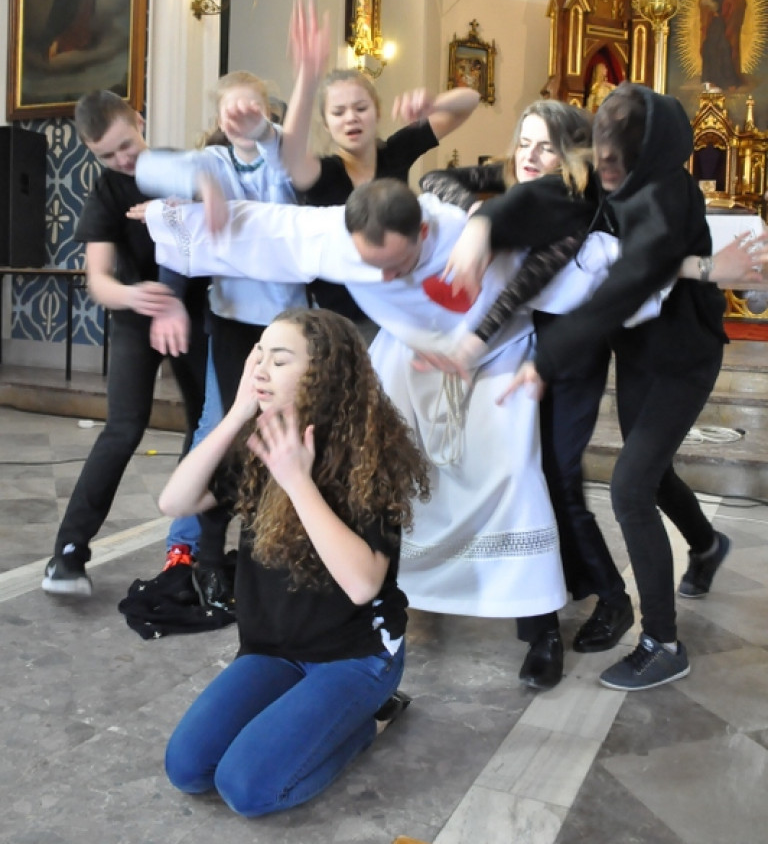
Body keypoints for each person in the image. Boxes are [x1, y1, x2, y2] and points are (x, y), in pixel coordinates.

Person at [140, 180, 635, 686]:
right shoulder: (342, 236)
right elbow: (268, 229)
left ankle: (539, 628)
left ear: (422, 230)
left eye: (396, 264)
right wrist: (172, 217)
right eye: (372, 265)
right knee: (373, 469)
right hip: (410, 358)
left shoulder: (470, 233)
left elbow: (588, 258)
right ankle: (373, 611)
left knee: (513, 477)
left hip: (493, 361)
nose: (384, 276)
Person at [445, 82, 737, 691]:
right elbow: (542, 197)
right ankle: (706, 545)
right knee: (649, 474)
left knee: (630, 487)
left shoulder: (666, 193)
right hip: (637, 355)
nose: (605, 162)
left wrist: (547, 358)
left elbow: (627, 283)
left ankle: (662, 642)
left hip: (684, 357)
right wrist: (485, 224)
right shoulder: (602, 182)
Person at [161, 308, 429, 817]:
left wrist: (297, 481)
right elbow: (175, 502)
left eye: (279, 359)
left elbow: (361, 585)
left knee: (249, 790)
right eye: (258, 354)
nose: (260, 367)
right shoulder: (258, 440)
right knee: (188, 768)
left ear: (321, 375)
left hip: (355, 656)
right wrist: (237, 413)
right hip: (273, 649)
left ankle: (372, 719)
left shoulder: (367, 457)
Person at [420, 100, 634, 689]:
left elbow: (522, 287)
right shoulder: (515, 183)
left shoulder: (579, 204)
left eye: (546, 146)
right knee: (528, 480)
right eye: (524, 143)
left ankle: (604, 601)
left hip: (567, 356)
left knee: (555, 478)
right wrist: (479, 209)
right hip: (516, 355)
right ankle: (554, 596)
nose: (533, 157)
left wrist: (472, 341)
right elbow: (434, 178)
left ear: (571, 153)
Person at [133, 69, 308, 606]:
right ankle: (209, 556)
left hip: (290, 322)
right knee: (228, 435)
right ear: (218, 119)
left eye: (252, 108)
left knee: (284, 436)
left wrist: (273, 129)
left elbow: (297, 171)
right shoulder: (212, 163)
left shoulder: (281, 161)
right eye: (231, 110)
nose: (241, 117)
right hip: (233, 321)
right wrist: (193, 192)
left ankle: (267, 554)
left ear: (268, 113)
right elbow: (149, 166)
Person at [41, 91, 208, 596]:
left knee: (206, 425)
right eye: (106, 155)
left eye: (125, 146)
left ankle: (190, 546)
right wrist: (138, 295)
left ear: (140, 119)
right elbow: (99, 281)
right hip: (140, 312)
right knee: (123, 427)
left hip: (199, 310)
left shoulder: (183, 166)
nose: (121, 161)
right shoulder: (107, 191)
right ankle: (68, 554)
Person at [280, 0, 480, 340]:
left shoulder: (395, 151)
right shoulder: (324, 173)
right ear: (326, 125)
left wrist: (436, 102)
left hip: (398, 309)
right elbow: (291, 154)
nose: (351, 118)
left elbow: (470, 102)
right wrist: (307, 79)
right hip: (339, 321)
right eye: (339, 112)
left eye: (360, 107)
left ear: (377, 112)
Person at [700, 0, 746, 89]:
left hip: (728, 24)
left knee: (725, 47)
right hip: (714, 24)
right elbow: (703, 3)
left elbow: (740, 5)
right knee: (709, 47)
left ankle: (730, 81)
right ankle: (709, 79)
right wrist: (708, 8)